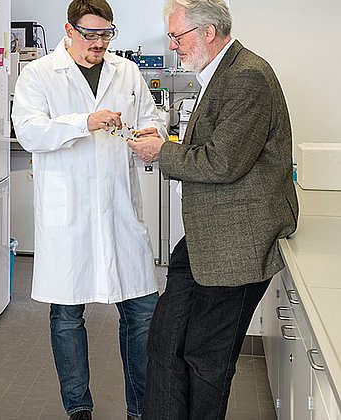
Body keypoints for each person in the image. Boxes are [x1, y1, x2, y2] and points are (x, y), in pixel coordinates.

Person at [127, 1, 299, 419]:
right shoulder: (219, 73)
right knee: (165, 342)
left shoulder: (248, 77)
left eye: (177, 36)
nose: (172, 45)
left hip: (238, 245)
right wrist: (167, 144)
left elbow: (222, 163)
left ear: (207, 33)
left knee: (207, 359)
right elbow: (213, 150)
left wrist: (162, 151)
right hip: (207, 237)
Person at [11, 1, 167, 419]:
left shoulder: (126, 72)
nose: (99, 43)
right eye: (91, 34)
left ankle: (140, 409)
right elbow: (28, 132)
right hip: (69, 216)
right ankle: (78, 409)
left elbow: (153, 118)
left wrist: (152, 132)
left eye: (106, 34)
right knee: (67, 316)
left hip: (119, 210)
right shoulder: (39, 74)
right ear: (69, 29)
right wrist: (85, 121)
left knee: (142, 312)